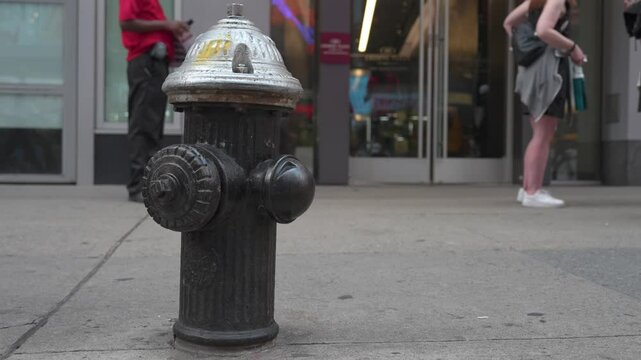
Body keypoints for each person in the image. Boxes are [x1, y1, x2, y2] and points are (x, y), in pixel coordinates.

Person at [504, 0, 586, 208]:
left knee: (539, 132)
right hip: (548, 70)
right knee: (543, 134)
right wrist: (572, 47)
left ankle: (528, 187)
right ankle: (533, 191)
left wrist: (524, 47)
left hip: (532, 70)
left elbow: (509, 23)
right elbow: (543, 30)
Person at [119, 0, 189, 202]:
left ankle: (149, 183)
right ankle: (138, 186)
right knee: (143, 122)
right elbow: (127, 21)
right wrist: (167, 25)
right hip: (146, 61)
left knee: (152, 122)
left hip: (154, 62)